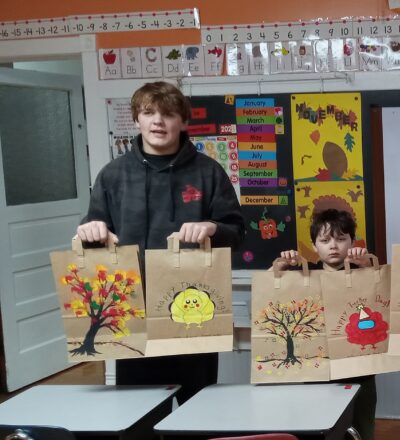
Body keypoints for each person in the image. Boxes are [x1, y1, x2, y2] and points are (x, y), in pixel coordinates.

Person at [76, 81, 245, 404]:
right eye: (149, 112)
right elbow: (94, 229)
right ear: (136, 119)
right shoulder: (113, 175)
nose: (158, 121)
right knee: (136, 407)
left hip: (194, 308)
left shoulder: (208, 173)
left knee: (198, 406)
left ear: (182, 122)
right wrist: (90, 230)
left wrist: (211, 228)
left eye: (168, 114)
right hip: (131, 308)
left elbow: (236, 232)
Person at [274, 208, 376, 440]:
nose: (333, 245)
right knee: (318, 427)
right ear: (314, 244)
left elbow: (382, 295)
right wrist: (280, 265)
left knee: (361, 427)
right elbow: (269, 287)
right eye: (325, 240)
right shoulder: (303, 275)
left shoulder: (363, 271)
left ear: (352, 241)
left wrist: (365, 265)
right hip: (315, 369)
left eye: (341, 239)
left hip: (359, 369)